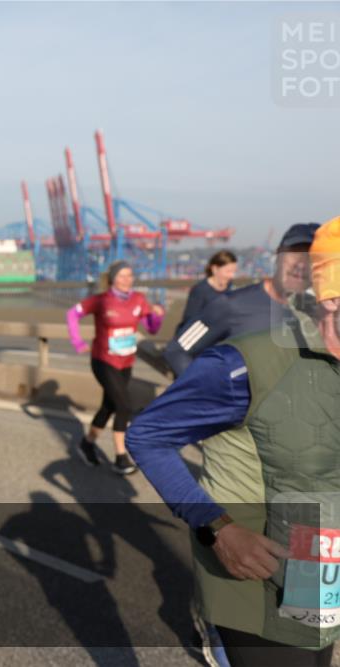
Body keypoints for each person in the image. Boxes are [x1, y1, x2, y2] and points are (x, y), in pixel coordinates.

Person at [127, 216, 340, 667]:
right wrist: (217, 526)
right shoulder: (240, 359)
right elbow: (148, 432)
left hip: (321, 579)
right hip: (258, 580)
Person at [164, 224, 319, 377]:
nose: (301, 264)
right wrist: (210, 393)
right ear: (278, 255)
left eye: (312, 257)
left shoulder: (324, 315)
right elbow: (176, 351)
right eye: (295, 253)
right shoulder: (231, 305)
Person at [65, 261, 164, 474]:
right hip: (103, 360)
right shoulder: (101, 300)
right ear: (112, 279)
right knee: (124, 406)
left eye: (130, 275)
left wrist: (158, 315)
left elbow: (152, 329)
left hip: (126, 361)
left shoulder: (139, 299)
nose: (127, 279)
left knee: (109, 406)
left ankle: (87, 443)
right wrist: (77, 342)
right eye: (122, 276)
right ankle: (121, 457)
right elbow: (72, 314)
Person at [174, 251, 237, 338]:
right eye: (228, 271)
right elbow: (190, 320)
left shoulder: (229, 287)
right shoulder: (200, 290)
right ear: (215, 269)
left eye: (234, 271)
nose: (232, 276)